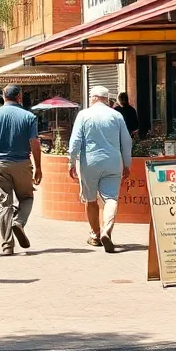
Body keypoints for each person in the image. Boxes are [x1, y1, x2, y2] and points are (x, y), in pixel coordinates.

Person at [67, 86, 132, 253]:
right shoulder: (116, 115)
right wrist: (127, 164)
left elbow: (75, 141)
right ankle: (106, 231)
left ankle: (95, 235)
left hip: (90, 162)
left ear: (94, 97)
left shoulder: (83, 115)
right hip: (113, 162)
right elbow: (126, 141)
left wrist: (71, 161)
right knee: (111, 198)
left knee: (90, 199)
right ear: (106, 98)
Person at [0, 84, 42, 254]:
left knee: (4, 203)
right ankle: (19, 222)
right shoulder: (29, 116)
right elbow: (34, 143)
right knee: (27, 197)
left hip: (0, 163)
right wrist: (38, 167)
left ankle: (7, 245)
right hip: (22, 163)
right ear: (19, 97)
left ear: (4, 95)